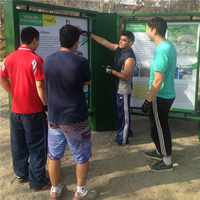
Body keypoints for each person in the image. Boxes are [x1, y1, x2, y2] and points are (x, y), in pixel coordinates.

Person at [44, 24, 97, 200]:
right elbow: (87, 81)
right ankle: (80, 192)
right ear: (77, 42)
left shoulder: (48, 60)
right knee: (81, 156)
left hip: (54, 117)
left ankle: (55, 189)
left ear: (59, 40)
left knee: (54, 155)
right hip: (75, 117)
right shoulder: (81, 61)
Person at [0, 27, 51, 190]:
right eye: (38, 41)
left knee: (19, 143)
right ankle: (37, 180)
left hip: (16, 111)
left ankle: (21, 174)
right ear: (34, 40)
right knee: (37, 144)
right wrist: (46, 106)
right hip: (33, 111)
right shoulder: (36, 59)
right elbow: (40, 85)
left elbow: (2, 79)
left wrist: (14, 94)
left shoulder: (8, 58)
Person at [82, 30, 136, 146]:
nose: (120, 42)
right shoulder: (119, 49)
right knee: (119, 113)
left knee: (124, 115)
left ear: (130, 43)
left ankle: (123, 139)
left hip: (123, 89)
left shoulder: (130, 58)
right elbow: (104, 42)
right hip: (116, 87)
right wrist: (90, 34)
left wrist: (111, 71)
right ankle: (127, 132)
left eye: (124, 40)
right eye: (120, 39)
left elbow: (126, 76)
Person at [141, 17, 177, 172]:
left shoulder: (163, 50)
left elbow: (158, 81)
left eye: (147, 29)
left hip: (160, 96)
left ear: (154, 30)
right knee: (156, 127)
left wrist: (148, 100)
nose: (146, 32)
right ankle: (159, 151)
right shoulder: (168, 46)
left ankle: (167, 161)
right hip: (164, 94)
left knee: (160, 128)